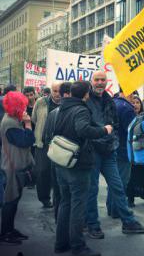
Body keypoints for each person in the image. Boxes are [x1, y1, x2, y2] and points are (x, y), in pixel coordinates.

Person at [85, 71, 144, 239]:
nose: (99, 82)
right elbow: (87, 125)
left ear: (106, 82)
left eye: (102, 80)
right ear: (92, 81)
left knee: (118, 187)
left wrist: (111, 141)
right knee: (92, 190)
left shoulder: (109, 100)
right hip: (93, 151)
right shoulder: (86, 100)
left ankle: (128, 222)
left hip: (109, 151)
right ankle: (92, 225)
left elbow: (115, 124)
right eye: (97, 80)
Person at [54, 80, 111, 256]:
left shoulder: (62, 107)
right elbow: (83, 130)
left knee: (66, 202)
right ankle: (78, 246)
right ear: (86, 94)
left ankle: (61, 243)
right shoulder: (81, 109)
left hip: (61, 161)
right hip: (77, 164)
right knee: (78, 205)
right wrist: (104, 130)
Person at [0, 91, 35, 245]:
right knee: (10, 200)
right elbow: (26, 141)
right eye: (23, 106)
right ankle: (6, 232)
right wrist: (28, 125)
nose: (25, 109)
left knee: (14, 199)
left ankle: (10, 229)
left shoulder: (12, 119)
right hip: (12, 167)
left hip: (14, 164)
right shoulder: (10, 122)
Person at [42, 81, 72, 220]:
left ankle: (58, 218)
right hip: (68, 160)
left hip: (56, 157)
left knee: (59, 191)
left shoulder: (53, 113)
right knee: (65, 192)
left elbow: (45, 137)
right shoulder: (71, 113)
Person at [108, 87, 138, 218]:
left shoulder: (113, 102)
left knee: (114, 182)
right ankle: (117, 210)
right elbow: (133, 132)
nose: (134, 96)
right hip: (123, 149)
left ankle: (112, 208)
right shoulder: (127, 108)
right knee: (121, 182)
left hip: (112, 147)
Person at [32, 82, 61, 208]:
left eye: (59, 91)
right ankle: (44, 198)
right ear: (51, 91)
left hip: (59, 144)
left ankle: (58, 199)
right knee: (42, 171)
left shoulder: (66, 103)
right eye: (54, 91)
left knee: (57, 173)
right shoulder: (41, 102)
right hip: (42, 143)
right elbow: (34, 118)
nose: (57, 94)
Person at [126, 95, 144, 207]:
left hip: (142, 150)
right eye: (133, 102)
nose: (135, 105)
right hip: (131, 152)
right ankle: (130, 198)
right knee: (132, 176)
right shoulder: (129, 116)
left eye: (137, 102)